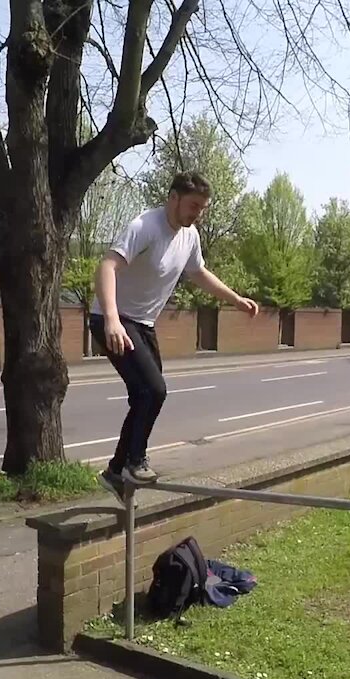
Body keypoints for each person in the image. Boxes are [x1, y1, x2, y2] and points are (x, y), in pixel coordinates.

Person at [90, 171, 259, 498]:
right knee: (154, 390)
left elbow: (198, 273)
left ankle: (115, 471)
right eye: (193, 206)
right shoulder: (145, 226)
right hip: (114, 318)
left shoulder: (189, 236)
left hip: (143, 324)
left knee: (146, 396)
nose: (197, 213)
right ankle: (133, 462)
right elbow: (107, 266)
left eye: (202, 208)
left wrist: (235, 299)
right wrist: (111, 318)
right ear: (173, 198)